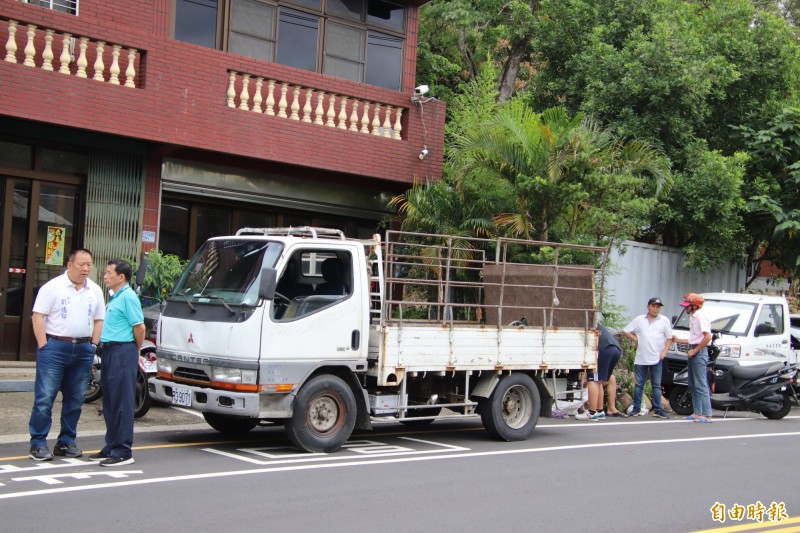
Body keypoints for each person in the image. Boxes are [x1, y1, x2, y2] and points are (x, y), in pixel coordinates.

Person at [29, 249, 105, 461]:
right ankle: (38, 443)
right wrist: (44, 345)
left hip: (83, 349)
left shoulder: (95, 290)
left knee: (75, 399)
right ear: (69, 265)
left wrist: (93, 345)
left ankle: (66, 441)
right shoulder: (52, 287)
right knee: (45, 397)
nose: (86, 269)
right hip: (55, 347)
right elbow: (38, 317)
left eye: (89, 264)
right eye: (81, 264)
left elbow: (99, 319)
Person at [89, 259, 145, 466]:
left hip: (123, 351)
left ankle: (123, 451)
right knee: (110, 401)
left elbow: (139, 328)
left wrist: (134, 350)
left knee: (122, 402)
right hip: (111, 351)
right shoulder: (115, 297)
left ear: (121, 277)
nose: (105, 275)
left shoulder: (128, 297)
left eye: (109, 273)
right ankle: (111, 445)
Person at [622, 297, 672, 419]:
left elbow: (669, 337)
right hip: (641, 357)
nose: (656, 309)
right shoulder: (639, 319)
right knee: (639, 384)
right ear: (648, 306)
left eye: (658, 307)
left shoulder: (663, 320)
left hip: (657, 356)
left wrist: (664, 351)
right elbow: (625, 331)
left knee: (656, 384)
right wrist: (636, 339)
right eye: (653, 306)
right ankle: (636, 408)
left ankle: (658, 409)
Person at [673, 292, 713, 423]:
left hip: (699, 352)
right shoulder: (693, 317)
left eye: (687, 305)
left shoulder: (701, 317)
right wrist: (679, 340)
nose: (685, 308)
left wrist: (695, 350)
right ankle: (697, 412)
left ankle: (707, 415)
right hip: (693, 350)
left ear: (695, 306)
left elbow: (707, 337)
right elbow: (694, 338)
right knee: (693, 384)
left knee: (701, 383)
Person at [584, 323, 625, 421]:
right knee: (599, 380)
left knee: (593, 380)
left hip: (603, 349)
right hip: (615, 349)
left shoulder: (583, 320)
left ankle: (592, 412)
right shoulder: (593, 320)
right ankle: (600, 411)